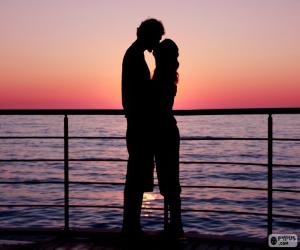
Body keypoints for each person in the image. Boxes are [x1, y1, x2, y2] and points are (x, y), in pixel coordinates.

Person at [121, 18, 165, 235]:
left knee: (137, 175)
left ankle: (131, 225)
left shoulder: (134, 55)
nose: (157, 42)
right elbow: (143, 93)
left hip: (137, 123)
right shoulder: (134, 57)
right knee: (137, 177)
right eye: (156, 38)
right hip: (139, 125)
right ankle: (131, 227)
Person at [152, 39, 184, 237]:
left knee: (169, 181)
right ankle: (174, 226)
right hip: (167, 132)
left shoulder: (162, 78)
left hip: (164, 132)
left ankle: (176, 227)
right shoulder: (168, 76)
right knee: (170, 181)